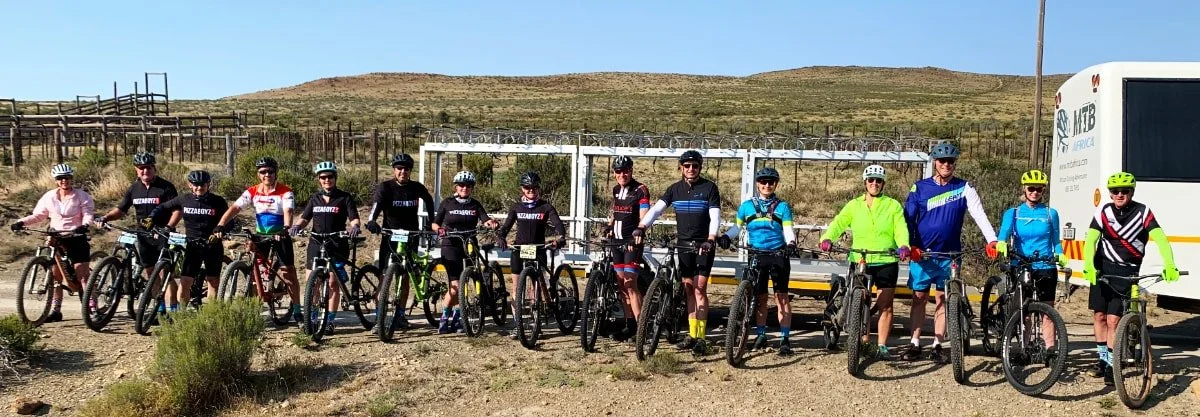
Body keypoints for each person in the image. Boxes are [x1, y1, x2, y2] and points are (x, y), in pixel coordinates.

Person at [1080, 171, 1179, 385]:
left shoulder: (1143, 212)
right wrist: (1088, 264)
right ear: (1110, 193)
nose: (1119, 194)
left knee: (1113, 319)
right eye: (1115, 191)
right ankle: (1102, 360)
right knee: (1099, 316)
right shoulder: (1103, 211)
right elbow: (1091, 239)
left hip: (1127, 271)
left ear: (1131, 192)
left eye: (1124, 191)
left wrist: (1170, 264)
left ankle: (1111, 365)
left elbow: (1161, 239)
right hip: (1102, 268)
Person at [902, 142, 999, 362]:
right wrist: (910, 245)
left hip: (950, 255)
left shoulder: (965, 187)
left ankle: (937, 344)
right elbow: (907, 219)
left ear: (955, 163)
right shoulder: (920, 188)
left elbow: (979, 214)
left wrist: (991, 240)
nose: (946, 165)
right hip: (922, 254)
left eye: (950, 161)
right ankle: (915, 343)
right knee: (918, 298)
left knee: (942, 299)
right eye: (942, 161)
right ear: (935, 163)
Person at [634, 150, 721, 356]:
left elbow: (715, 215)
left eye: (695, 166)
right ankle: (692, 334)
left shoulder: (709, 188)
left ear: (700, 167)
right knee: (688, 288)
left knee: (700, 289)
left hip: (703, 245)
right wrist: (642, 227)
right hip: (683, 244)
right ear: (681, 167)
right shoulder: (675, 189)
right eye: (687, 166)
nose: (691, 169)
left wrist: (711, 238)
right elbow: (656, 210)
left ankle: (701, 337)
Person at [819, 164, 911, 359]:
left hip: (886, 259)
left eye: (878, 181)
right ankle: (863, 342)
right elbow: (839, 222)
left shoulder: (892, 205)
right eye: (871, 180)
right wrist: (827, 238)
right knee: (862, 303)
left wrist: (904, 244)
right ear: (865, 182)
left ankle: (882, 345)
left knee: (886, 305)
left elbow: (900, 227)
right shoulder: (854, 205)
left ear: (883, 183)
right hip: (860, 259)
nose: (874, 184)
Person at [720, 167, 798, 356]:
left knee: (781, 298)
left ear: (776, 184)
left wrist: (791, 242)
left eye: (771, 182)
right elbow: (737, 227)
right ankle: (761, 334)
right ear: (757, 184)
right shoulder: (746, 206)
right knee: (761, 298)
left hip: (778, 255)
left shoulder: (782, 206)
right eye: (763, 182)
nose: (767, 185)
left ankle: (785, 339)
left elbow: (787, 228)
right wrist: (726, 237)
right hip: (756, 255)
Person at [214, 157, 302, 323]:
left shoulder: (285, 191)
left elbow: (289, 211)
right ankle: (255, 308)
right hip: (261, 235)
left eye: (270, 171)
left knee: (288, 272)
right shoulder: (253, 191)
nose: (267, 174)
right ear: (258, 174)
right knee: (256, 272)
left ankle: (297, 311)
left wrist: (286, 228)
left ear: (276, 173)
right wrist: (221, 225)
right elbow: (235, 208)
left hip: (280, 234)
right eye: (263, 172)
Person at [994, 169, 1066, 361]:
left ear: (1044, 191)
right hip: (1022, 264)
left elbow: (1056, 240)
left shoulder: (1051, 214)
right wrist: (1001, 242)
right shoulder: (1014, 213)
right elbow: (1004, 233)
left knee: (1047, 310)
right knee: (1023, 311)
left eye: (1039, 189)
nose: (1035, 192)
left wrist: (1060, 253)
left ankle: (1051, 351)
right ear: (1024, 189)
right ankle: (1024, 348)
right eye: (1031, 189)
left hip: (1045, 265)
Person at [12, 164, 94, 322]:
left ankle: (92, 307)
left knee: (82, 276)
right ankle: (56, 310)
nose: (64, 181)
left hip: (76, 237)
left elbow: (88, 214)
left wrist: (84, 226)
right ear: (56, 180)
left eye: (67, 177)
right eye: (60, 178)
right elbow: (38, 215)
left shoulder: (82, 196)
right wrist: (21, 222)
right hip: (56, 238)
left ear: (71, 179)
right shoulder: (49, 196)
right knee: (55, 276)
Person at [362, 153, 435, 329]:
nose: (403, 171)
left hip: (411, 235)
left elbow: (429, 201)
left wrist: (430, 222)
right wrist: (372, 221)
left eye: (406, 169)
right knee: (384, 275)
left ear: (410, 171)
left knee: (406, 275)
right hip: (390, 234)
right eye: (399, 168)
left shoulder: (416, 187)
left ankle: (401, 314)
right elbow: (376, 207)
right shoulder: (385, 187)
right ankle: (380, 317)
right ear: (394, 170)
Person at [289, 161, 361, 335]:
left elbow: (354, 218)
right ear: (319, 180)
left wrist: (355, 227)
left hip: (337, 243)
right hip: (316, 242)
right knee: (312, 283)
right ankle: (312, 317)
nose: (326, 180)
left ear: (335, 178)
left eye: (330, 177)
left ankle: (329, 320)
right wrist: (297, 226)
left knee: (332, 283)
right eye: (323, 177)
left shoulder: (344, 197)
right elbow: (305, 217)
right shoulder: (315, 198)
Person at [496, 171, 567, 336]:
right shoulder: (516, 207)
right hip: (519, 249)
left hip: (538, 249)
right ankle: (517, 324)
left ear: (538, 188)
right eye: (528, 188)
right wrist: (501, 236)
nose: (531, 191)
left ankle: (536, 322)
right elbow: (506, 226)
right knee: (515, 288)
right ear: (522, 189)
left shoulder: (545, 206)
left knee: (535, 289)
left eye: (534, 187)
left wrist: (561, 237)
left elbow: (558, 224)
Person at [148, 170, 228, 311]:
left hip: (212, 246)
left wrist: (221, 230)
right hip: (192, 246)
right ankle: (181, 315)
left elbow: (230, 221)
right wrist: (151, 217)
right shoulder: (184, 199)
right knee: (185, 282)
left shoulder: (218, 201)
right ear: (190, 185)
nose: (199, 188)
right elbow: (163, 206)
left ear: (208, 184)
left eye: (202, 184)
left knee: (213, 282)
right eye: (195, 185)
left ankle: (210, 316)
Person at [430, 171, 498, 334]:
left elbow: (485, 219)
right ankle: (445, 318)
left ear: (472, 188)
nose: (464, 188)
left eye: (468, 185)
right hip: (450, 246)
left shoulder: (475, 204)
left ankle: (458, 318)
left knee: (466, 282)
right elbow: (434, 224)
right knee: (455, 285)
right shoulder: (447, 203)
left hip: (469, 245)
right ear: (456, 186)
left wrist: (491, 223)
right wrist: (440, 231)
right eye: (461, 185)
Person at [97, 152, 178, 281]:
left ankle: (170, 302)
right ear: (136, 170)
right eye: (141, 168)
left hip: (163, 234)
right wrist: (105, 217)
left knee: (165, 274)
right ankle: (155, 300)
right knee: (150, 272)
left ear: (154, 168)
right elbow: (121, 210)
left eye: (148, 167)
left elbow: (177, 211)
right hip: (143, 235)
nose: (145, 171)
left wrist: (169, 227)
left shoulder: (166, 187)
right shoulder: (134, 188)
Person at [606, 155, 649, 341]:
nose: (622, 174)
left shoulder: (640, 190)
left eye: (626, 170)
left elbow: (644, 215)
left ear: (631, 170)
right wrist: (609, 225)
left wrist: (640, 232)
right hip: (616, 242)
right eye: (618, 171)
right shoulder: (616, 190)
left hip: (632, 243)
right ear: (614, 173)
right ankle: (629, 325)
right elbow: (615, 212)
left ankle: (641, 328)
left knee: (631, 284)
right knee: (621, 285)